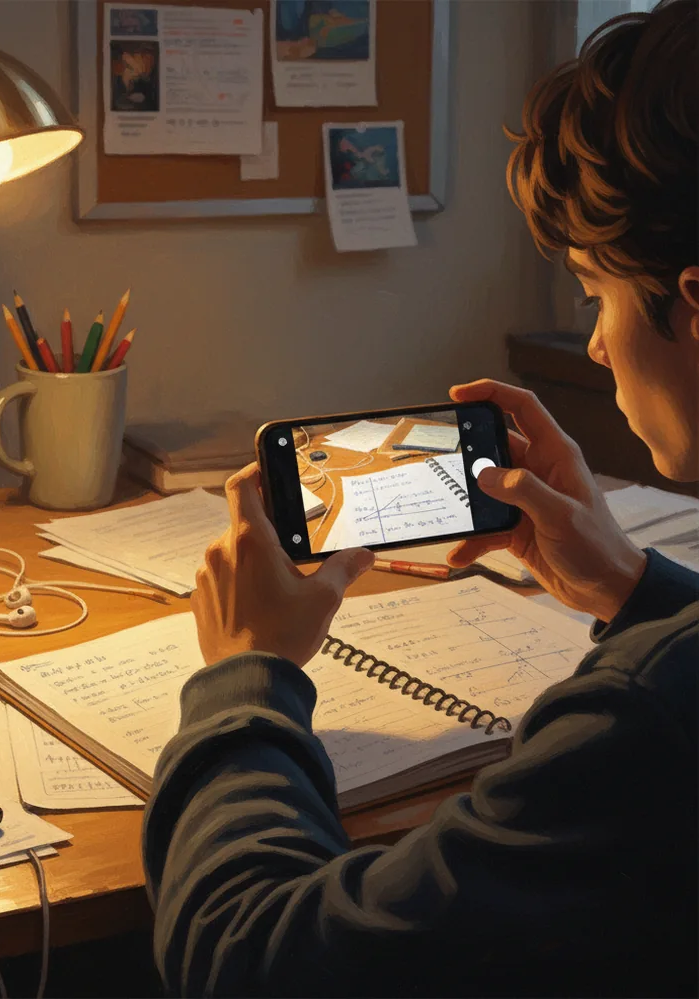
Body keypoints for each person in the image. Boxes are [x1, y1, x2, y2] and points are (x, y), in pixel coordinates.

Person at [141, 2, 697, 995]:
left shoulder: (646, 718)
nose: (600, 345)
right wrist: (630, 588)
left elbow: (247, 959)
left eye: (592, 291)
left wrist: (248, 676)